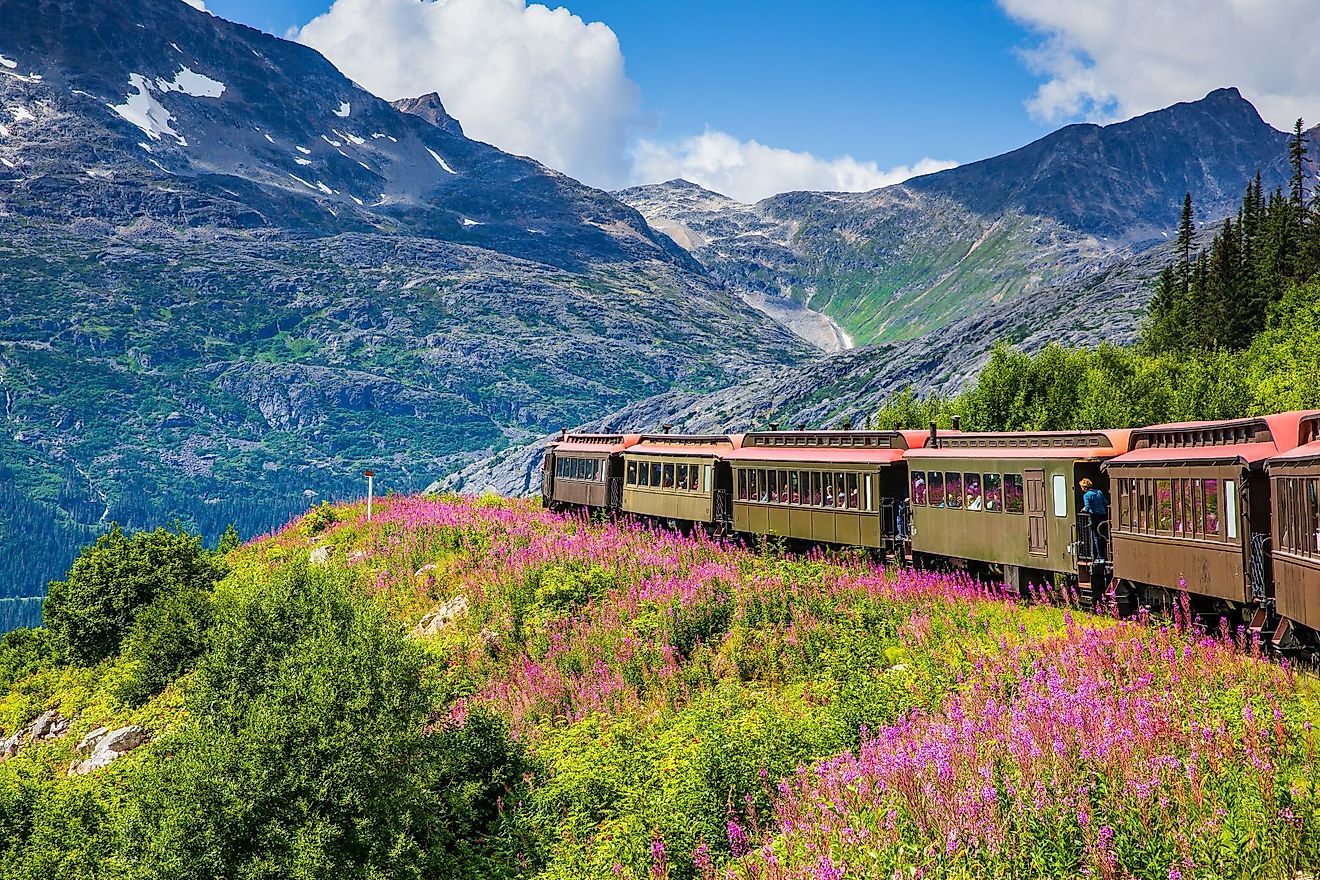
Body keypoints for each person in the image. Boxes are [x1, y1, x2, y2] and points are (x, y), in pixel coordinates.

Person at [1081, 478, 1109, 563]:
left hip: (1095, 517)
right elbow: (1106, 502)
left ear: (1084, 487)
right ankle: (1105, 555)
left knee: (1096, 537)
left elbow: (1087, 507)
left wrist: (1083, 510)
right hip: (1103, 516)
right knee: (1103, 536)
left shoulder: (1086, 495)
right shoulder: (1099, 492)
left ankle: (1099, 557)